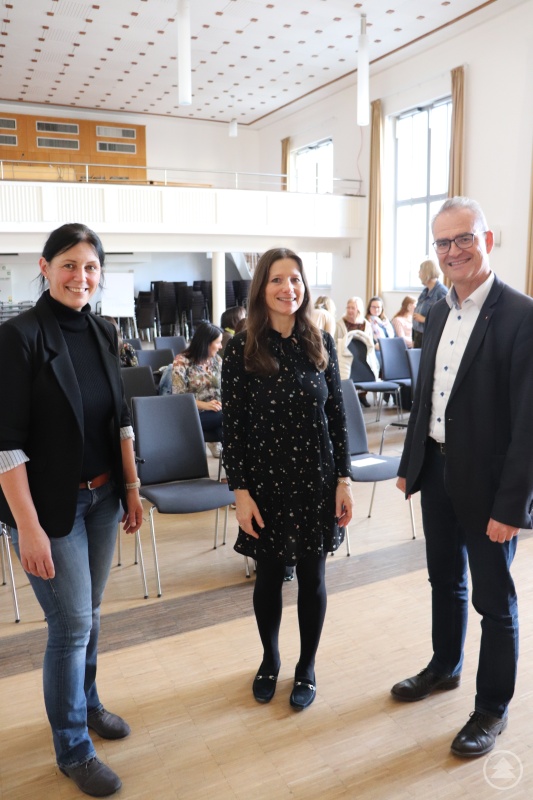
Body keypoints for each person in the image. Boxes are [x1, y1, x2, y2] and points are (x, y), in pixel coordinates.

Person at [0, 223, 144, 797]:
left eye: (89, 267)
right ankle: (73, 748)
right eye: (68, 264)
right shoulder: (19, 337)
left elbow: (121, 419)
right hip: (49, 510)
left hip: (104, 497)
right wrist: (28, 528)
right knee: (71, 625)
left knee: (92, 614)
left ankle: (86, 704)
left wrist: (131, 487)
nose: (79, 277)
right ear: (45, 267)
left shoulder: (104, 331)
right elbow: (5, 445)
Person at [392, 196, 533, 757]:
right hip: (437, 470)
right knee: (444, 580)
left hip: (490, 487)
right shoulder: (438, 311)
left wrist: (512, 507)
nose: (453, 251)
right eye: (443, 242)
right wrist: (411, 465)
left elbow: (529, 425)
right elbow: (427, 396)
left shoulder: (521, 315)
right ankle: (444, 666)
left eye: (464, 238)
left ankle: (492, 708)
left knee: (494, 602)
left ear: (487, 240)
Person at [221, 247, 353, 711]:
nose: (287, 288)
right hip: (265, 484)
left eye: (295, 279)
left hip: (316, 478)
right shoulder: (241, 348)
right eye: (277, 279)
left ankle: (307, 666)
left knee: (313, 578)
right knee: (269, 578)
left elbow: (336, 418)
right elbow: (233, 428)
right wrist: (240, 491)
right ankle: (270, 659)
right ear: (262, 288)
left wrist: (344, 480)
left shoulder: (321, 342)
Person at [159, 321, 223, 458]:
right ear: (206, 343)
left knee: (226, 424)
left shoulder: (217, 360)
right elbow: (179, 397)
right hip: (190, 414)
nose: (221, 346)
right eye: (218, 342)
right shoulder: (182, 361)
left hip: (215, 413)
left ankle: (228, 463)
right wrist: (205, 405)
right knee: (226, 418)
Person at [335, 296, 379, 406]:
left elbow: (369, 342)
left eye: (352, 308)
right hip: (346, 355)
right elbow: (335, 341)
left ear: (358, 310)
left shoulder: (366, 324)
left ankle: (362, 395)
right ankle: (350, 397)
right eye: (348, 307)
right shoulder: (340, 324)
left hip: (361, 354)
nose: (350, 310)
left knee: (366, 366)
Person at [412, 258, 448, 348]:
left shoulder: (441, 292)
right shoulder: (425, 291)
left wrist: (424, 319)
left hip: (430, 337)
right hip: (419, 335)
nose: (418, 274)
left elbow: (444, 318)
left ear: (426, 272)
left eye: (420, 271)